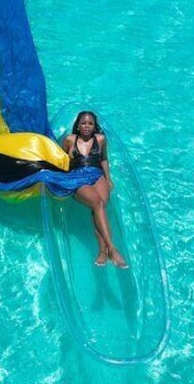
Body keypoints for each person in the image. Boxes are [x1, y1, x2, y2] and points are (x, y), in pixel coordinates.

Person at [62, 111, 128, 269]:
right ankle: (112, 248)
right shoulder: (69, 140)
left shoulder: (101, 139)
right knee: (97, 203)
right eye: (83, 123)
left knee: (99, 207)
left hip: (97, 174)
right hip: (77, 176)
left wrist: (108, 178)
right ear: (78, 125)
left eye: (90, 123)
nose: (86, 126)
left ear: (94, 126)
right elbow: (61, 161)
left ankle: (102, 251)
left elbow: (104, 159)